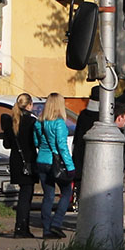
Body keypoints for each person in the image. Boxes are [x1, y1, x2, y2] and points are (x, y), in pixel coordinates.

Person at [33, 92, 75, 239]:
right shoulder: (59, 124)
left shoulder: (39, 122)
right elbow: (62, 147)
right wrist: (70, 167)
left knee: (48, 196)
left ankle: (46, 230)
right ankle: (56, 223)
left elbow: (37, 142)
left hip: (41, 160)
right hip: (55, 163)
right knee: (66, 193)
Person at [0, 93, 38, 238]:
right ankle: (22, 228)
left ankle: (20, 227)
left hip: (16, 161)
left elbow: (7, 144)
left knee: (23, 194)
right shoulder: (31, 122)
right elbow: (35, 142)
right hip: (28, 161)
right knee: (26, 196)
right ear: (29, 105)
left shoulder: (11, 121)